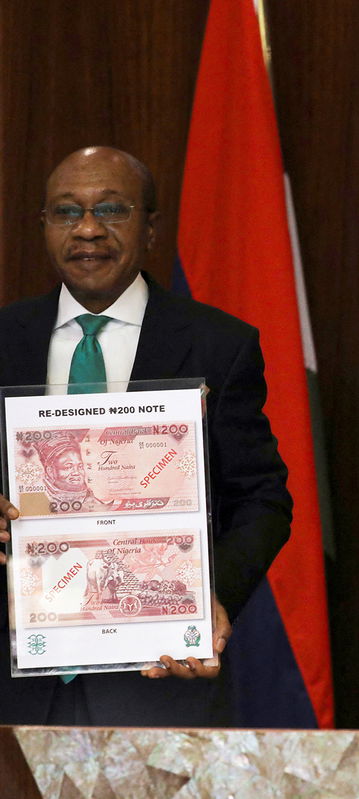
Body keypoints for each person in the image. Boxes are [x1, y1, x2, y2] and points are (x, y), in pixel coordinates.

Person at [0, 146, 292, 726]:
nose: (87, 229)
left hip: (158, 676)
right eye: (66, 212)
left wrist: (211, 603)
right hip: (15, 680)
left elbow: (262, 500)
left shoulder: (219, 344)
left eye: (111, 209)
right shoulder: (3, 338)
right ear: (43, 226)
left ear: (151, 228)